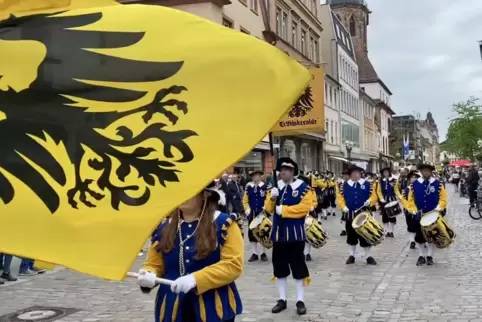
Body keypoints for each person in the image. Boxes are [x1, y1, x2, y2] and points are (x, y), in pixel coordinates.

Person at [136, 181, 243, 322]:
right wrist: (149, 275)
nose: (183, 196)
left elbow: (232, 265)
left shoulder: (223, 223)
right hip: (172, 307)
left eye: (189, 190)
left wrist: (195, 279)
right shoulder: (163, 228)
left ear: (205, 194)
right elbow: (154, 264)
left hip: (213, 308)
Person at [264, 157, 311, 315]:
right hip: (279, 235)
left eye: (286, 169)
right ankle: (282, 299)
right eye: (281, 170)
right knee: (280, 269)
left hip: (295, 235)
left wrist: (284, 210)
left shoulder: (304, 188)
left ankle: (300, 300)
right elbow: (268, 210)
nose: (283, 172)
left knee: (298, 268)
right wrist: (272, 198)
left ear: (292, 171)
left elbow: (304, 208)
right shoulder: (275, 188)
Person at [404, 164, 447, 266]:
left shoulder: (438, 184)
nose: (426, 173)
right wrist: (413, 210)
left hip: (433, 215)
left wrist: (439, 208)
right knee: (419, 237)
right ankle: (421, 255)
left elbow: (443, 199)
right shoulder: (414, 184)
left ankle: (430, 256)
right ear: (421, 172)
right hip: (420, 215)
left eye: (428, 171)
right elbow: (410, 200)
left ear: (431, 172)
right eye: (424, 171)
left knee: (432, 236)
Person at [336, 165, 378, 265]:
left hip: (364, 214)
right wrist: (343, 207)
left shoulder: (368, 184)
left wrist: (370, 201)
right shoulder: (344, 185)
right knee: (351, 235)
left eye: (357, 173)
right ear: (350, 175)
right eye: (353, 173)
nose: (355, 175)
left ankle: (368, 256)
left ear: (360, 174)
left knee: (366, 235)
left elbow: (374, 196)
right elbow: (340, 198)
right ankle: (351, 255)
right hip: (350, 214)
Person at [242, 169, 268, 262]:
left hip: (262, 213)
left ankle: (263, 253)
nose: (255, 177)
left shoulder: (265, 186)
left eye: (257, 176)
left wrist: (266, 206)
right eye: (253, 176)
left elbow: (268, 199)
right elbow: (245, 200)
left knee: (262, 233)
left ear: (260, 176)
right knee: (252, 233)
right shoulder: (249, 187)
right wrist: (247, 209)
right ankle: (254, 253)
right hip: (252, 213)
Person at [399, 170, 421, 250]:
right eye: (412, 178)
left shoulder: (421, 187)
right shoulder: (406, 189)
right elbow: (403, 200)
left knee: (420, 226)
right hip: (409, 210)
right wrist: (409, 209)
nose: (414, 179)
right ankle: (412, 241)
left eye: (415, 177)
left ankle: (422, 240)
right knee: (411, 226)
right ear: (409, 179)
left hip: (419, 210)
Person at [299, 174, 318, 262]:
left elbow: (314, 201)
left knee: (308, 234)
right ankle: (300, 252)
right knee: (299, 235)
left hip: (308, 214)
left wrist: (312, 206)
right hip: (298, 214)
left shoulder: (311, 190)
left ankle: (308, 253)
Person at [376, 167, 399, 237]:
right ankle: (386, 231)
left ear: (389, 173)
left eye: (387, 172)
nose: (386, 173)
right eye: (384, 172)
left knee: (392, 215)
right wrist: (381, 198)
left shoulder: (394, 180)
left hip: (392, 199)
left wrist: (400, 197)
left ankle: (391, 231)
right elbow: (378, 191)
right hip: (384, 200)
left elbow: (396, 190)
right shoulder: (380, 181)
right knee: (385, 216)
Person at [338, 169, 350, 236]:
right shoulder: (341, 185)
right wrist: (342, 205)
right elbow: (339, 195)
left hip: (352, 203)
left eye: (347, 175)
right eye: (344, 175)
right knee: (344, 217)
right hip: (344, 203)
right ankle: (343, 230)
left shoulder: (353, 183)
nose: (345, 177)